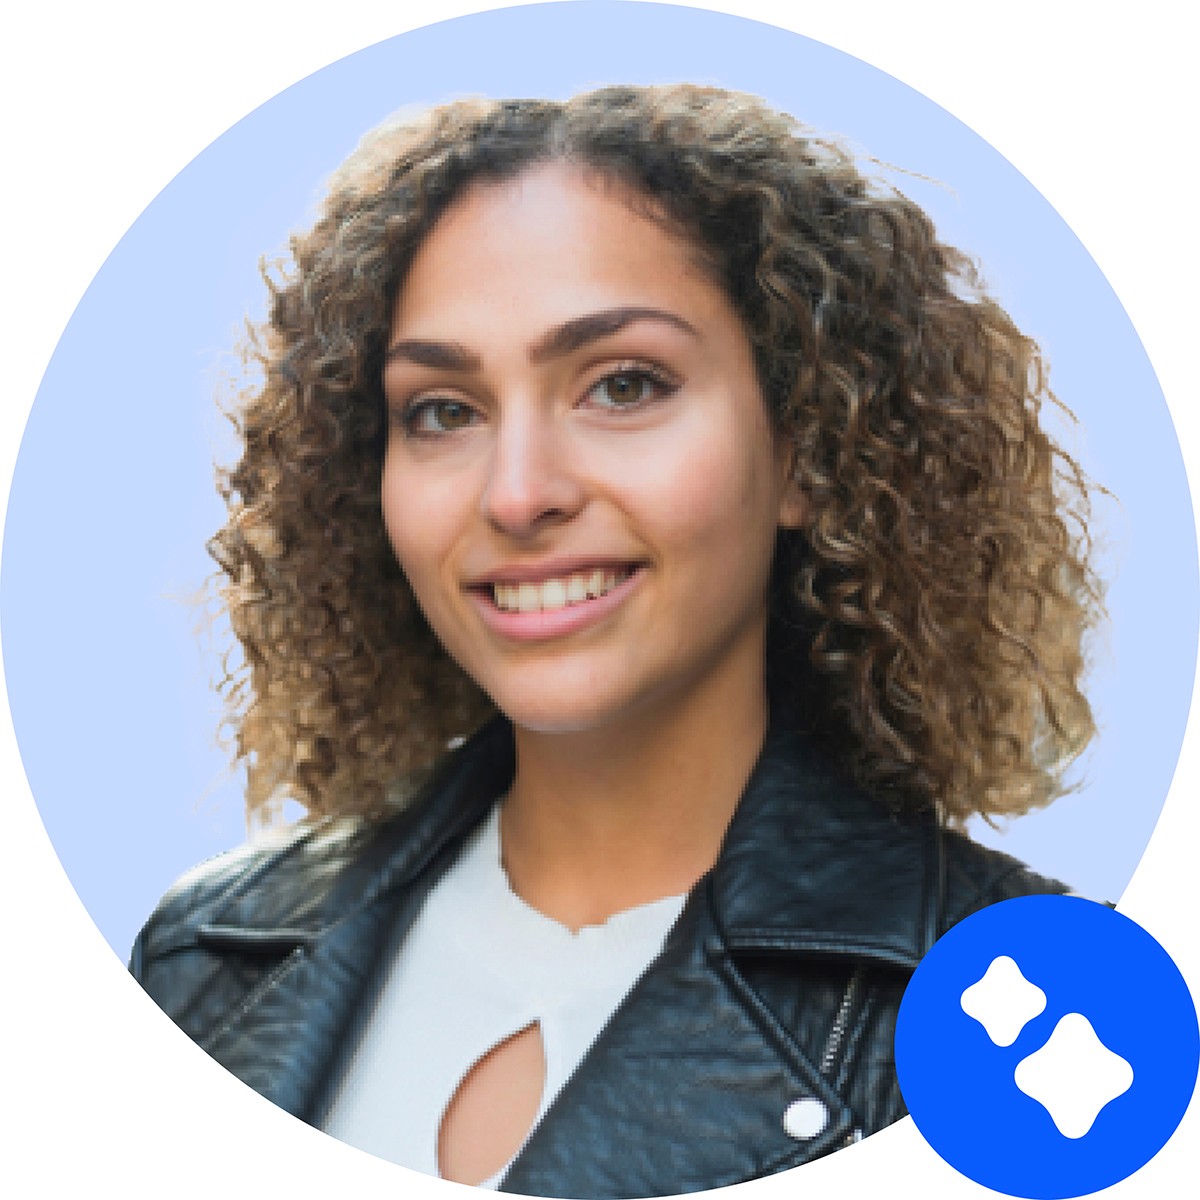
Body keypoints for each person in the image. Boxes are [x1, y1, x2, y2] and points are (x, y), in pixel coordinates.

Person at [130, 84, 1100, 1197]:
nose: (519, 493)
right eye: (443, 409)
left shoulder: (1037, 1009)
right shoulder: (199, 960)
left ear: (805, 449)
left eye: (624, 385)